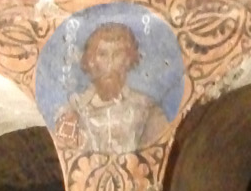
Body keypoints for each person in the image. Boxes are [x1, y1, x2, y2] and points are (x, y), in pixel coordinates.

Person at [54, 20, 170, 152]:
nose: (109, 63)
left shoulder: (147, 109)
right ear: (91, 61)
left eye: (117, 54)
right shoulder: (73, 111)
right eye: (102, 54)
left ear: (128, 60)